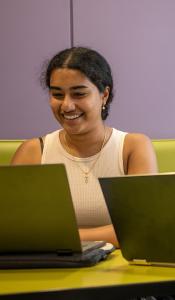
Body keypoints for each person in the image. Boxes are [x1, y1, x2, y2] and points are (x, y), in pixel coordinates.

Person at [11, 47, 158, 247]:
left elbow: (140, 227)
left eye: (79, 94)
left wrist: (63, 237)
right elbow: (14, 230)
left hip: (119, 272)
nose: (67, 106)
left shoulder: (133, 147)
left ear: (104, 95)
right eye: (57, 94)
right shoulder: (33, 152)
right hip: (53, 271)